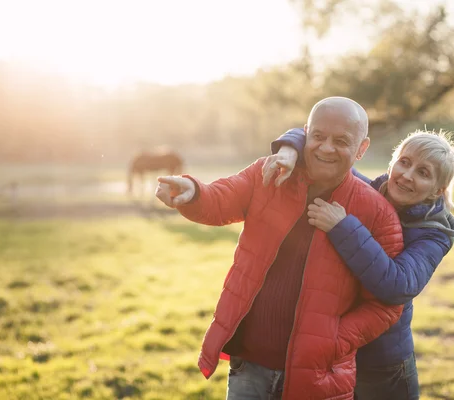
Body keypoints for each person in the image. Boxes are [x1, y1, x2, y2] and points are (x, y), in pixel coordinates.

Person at [155, 97, 405, 400]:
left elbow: (386, 304)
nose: (326, 148)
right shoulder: (271, 173)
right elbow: (222, 198)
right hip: (250, 365)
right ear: (305, 134)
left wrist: (335, 341)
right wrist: (194, 192)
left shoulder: (377, 212)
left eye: (341, 141)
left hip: (319, 374)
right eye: (318, 137)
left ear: (362, 148)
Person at [263, 128, 454, 400]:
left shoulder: (434, 233)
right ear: (393, 162)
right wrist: (289, 148)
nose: (407, 175)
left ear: (437, 191)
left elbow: (398, 284)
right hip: (333, 350)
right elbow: (318, 133)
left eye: (423, 172)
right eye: (404, 163)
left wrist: (343, 227)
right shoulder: (366, 192)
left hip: (383, 362)